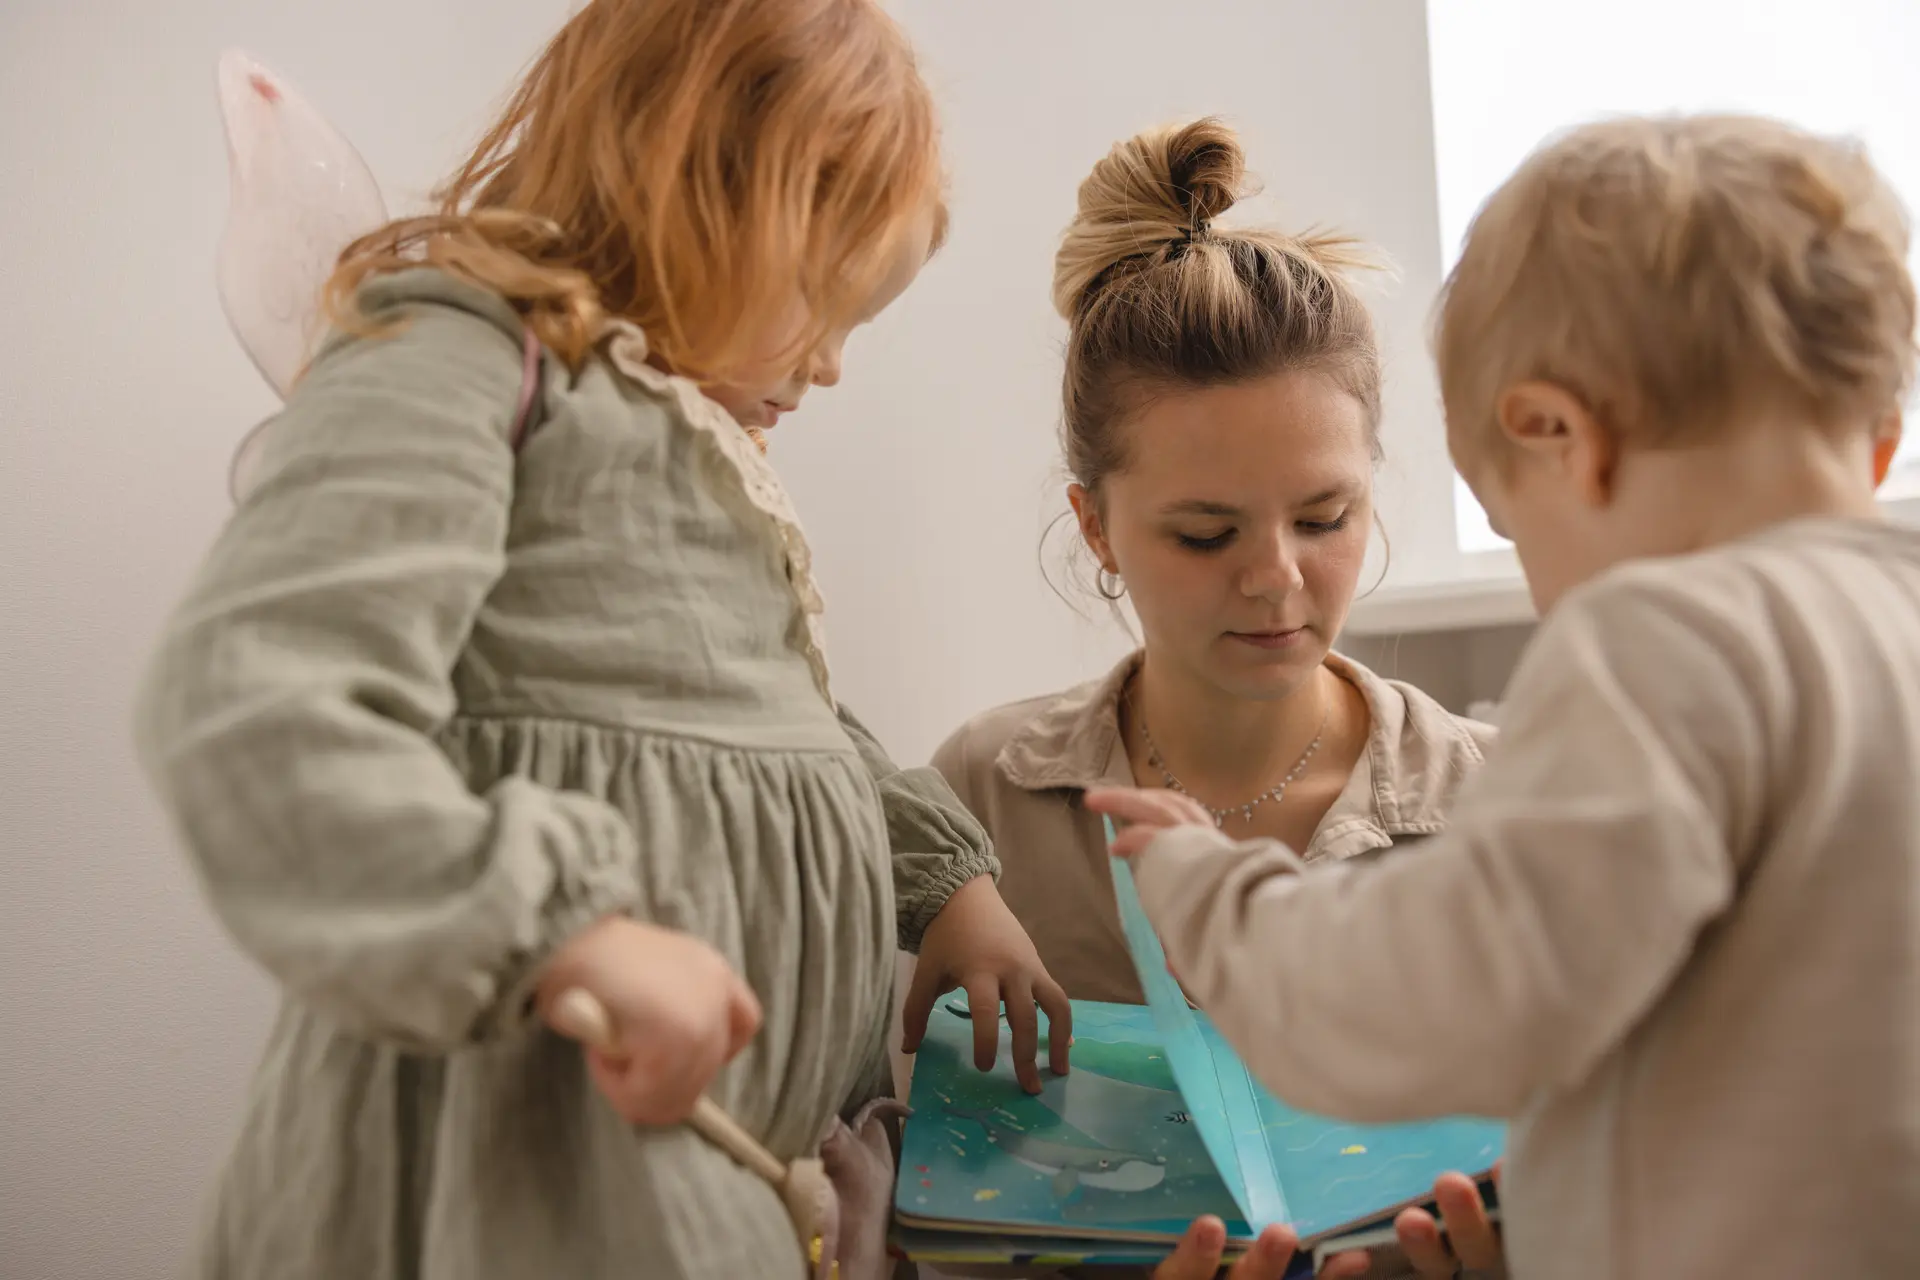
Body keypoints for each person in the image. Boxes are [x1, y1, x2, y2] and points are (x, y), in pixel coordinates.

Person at [132, 3, 1069, 1275]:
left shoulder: (696, 457)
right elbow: (255, 701)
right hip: (523, 1177)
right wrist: (559, 926)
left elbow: (790, 715)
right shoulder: (460, 358)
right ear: (698, 191)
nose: (837, 365)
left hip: (728, 1185)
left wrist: (944, 881)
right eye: (824, 300)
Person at [1092, 112, 1920, 1280]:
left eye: (1512, 517)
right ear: (1875, 438)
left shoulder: (1668, 641)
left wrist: (1209, 893)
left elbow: (1429, 998)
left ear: (1559, 436)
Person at [931, 120, 1505, 1279]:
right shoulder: (977, 803)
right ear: (1095, 526)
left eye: (1325, 517)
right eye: (1206, 532)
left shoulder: (1502, 802)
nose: (1277, 577)